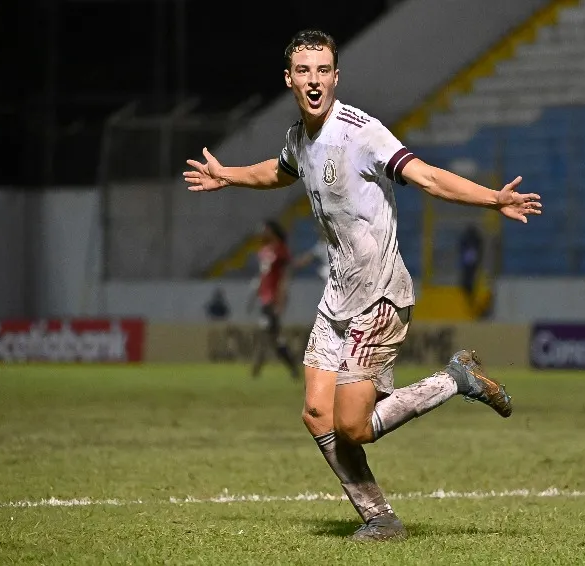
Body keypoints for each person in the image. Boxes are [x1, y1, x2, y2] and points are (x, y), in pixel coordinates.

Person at [184, 29, 542, 541]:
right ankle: (381, 519)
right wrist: (229, 175)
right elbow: (281, 171)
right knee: (315, 413)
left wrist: (494, 199)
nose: (314, 80)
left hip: (380, 295)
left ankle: (454, 380)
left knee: (352, 426)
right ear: (289, 79)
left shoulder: (362, 132)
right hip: (338, 297)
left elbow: (428, 178)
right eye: (304, 71)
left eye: (323, 70)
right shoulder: (298, 137)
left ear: (335, 76)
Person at [248, 219, 299, 380]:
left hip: (273, 300)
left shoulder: (281, 251)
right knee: (273, 337)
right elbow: (262, 277)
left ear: (272, 231)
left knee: (268, 334)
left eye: (265, 229)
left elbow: (284, 278)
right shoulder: (263, 251)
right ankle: (291, 367)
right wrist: (253, 297)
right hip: (264, 299)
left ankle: (257, 368)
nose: (262, 233)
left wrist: (281, 301)